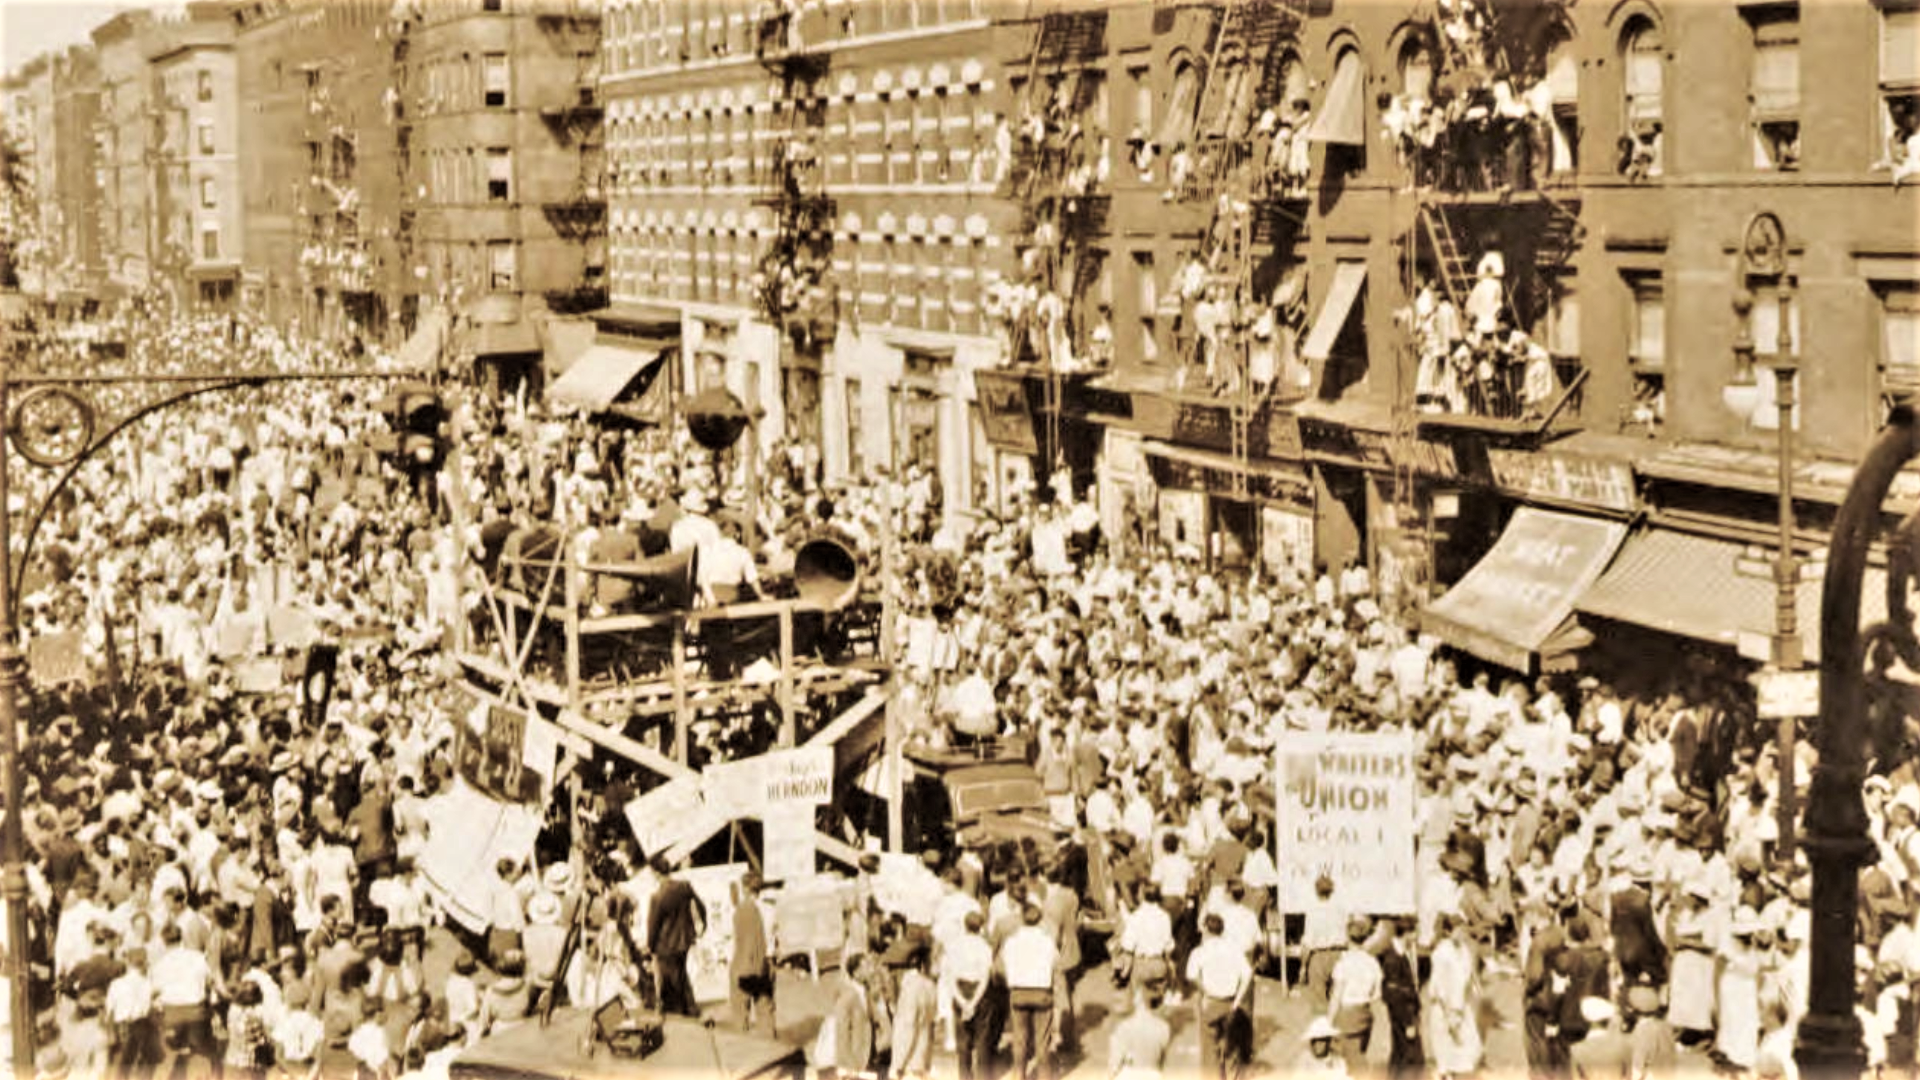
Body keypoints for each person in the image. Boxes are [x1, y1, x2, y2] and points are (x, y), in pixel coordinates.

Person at [1187, 912, 1253, 1080]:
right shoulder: (1234, 949)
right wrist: (1238, 999)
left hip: (1211, 1002)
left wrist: (1204, 990)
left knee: (1210, 1052)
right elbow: (1247, 974)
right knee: (1232, 1050)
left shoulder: (1200, 951)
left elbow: (1191, 975)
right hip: (1231, 1003)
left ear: (1206, 930)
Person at [1001, 902, 1060, 1080]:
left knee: (1020, 1038)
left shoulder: (1011, 942)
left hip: (1018, 991)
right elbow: (1055, 964)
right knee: (1042, 1040)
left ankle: (1019, 1074)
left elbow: (1005, 964)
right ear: (1040, 920)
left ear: (1021, 919)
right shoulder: (1047, 942)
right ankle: (1044, 1076)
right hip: (1042, 992)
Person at [645, 853, 706, 1018]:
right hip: (685, 940)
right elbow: (701, 905)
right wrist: (703, 925)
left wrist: (650, 946)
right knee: (681, 973)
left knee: (669, 979)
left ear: (656, 873)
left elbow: (653, 926)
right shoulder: (684, 887)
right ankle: (688, 1008)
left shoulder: (657, 897)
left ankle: (679, 1011)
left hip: (665, 945)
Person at [1326, 915, 1382, 1074]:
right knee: (1359, 1053)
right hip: (1365, 1014)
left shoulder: (1343, 964)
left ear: (1347, 938)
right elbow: (1377, 994)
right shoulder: (1373, 963)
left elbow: (1336, 997)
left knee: (1352, 1063)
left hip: (1347, 1016)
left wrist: (1329, 1022)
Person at [730, 872, 774, 1036]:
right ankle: (771, 1045)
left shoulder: (741, 911)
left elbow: (735, 940)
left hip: (743, 964)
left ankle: (743, 1044)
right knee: (765, 1009)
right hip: (766, 963)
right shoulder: (770, 909)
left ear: (746, 888)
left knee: (740, 1011)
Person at [889, 937, 938, 1080]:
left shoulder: (911, 988)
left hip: (908, 1063)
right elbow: (931, 1027)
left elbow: (908, 1028)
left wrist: (897, 1064)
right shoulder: (931, 987)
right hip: (923, 1059)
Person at [1108, 990, 1172, 1080]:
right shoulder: (1164, 1027)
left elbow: (1114, 1065)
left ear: (1136, 1000)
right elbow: (1162, 1062)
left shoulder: (1124, 1027)